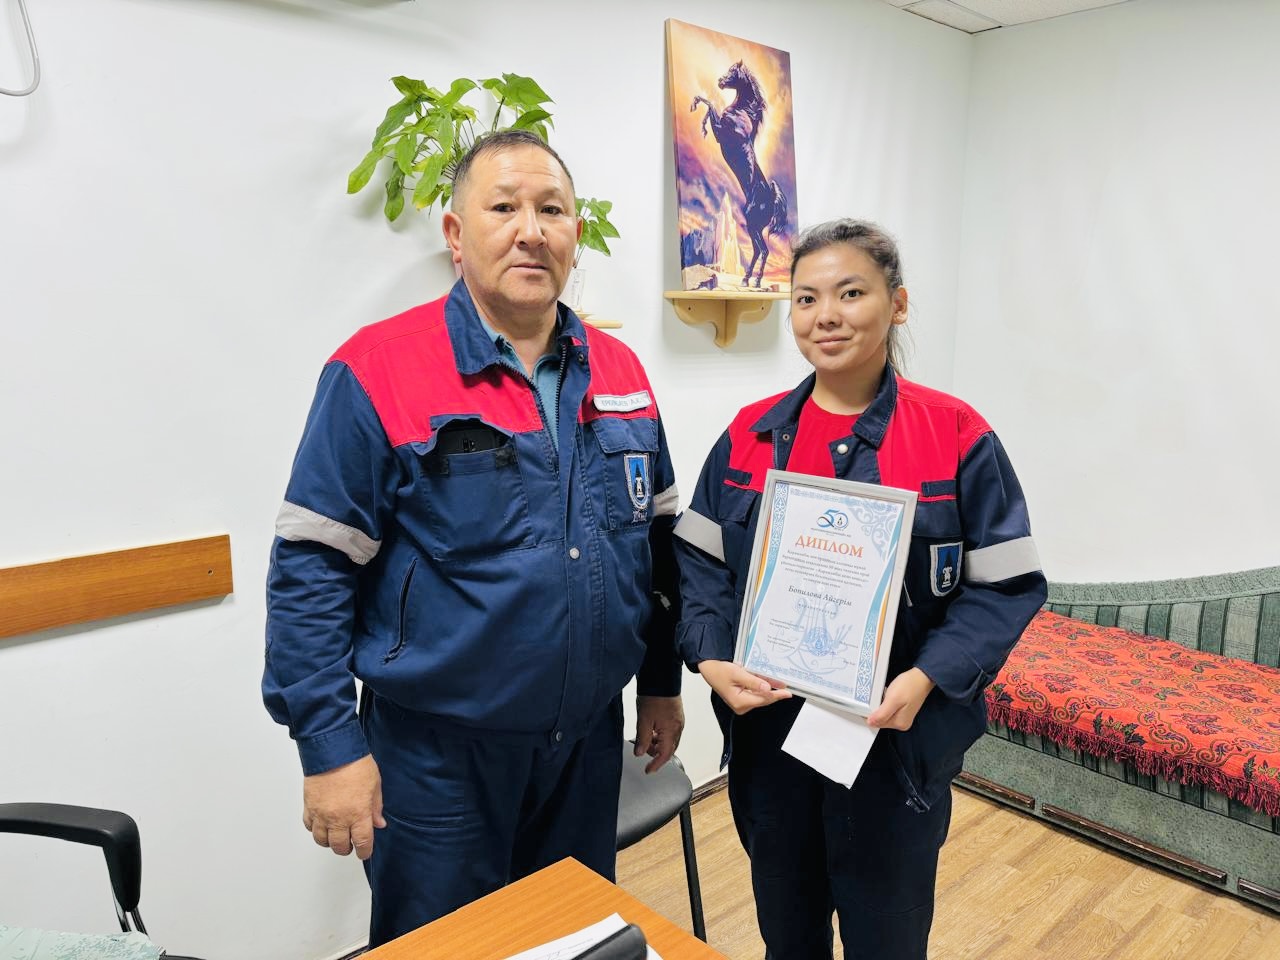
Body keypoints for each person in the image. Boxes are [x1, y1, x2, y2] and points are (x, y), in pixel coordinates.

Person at [263, 129, 685, 948]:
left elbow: (656, 546)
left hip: (584, 748)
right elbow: (312, 568)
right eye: (503, 208)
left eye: (551, 210)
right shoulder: (377, 371)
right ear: (456, 234)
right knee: (448, 949)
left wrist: (660, 683)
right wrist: (329, 745)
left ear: (575, 234)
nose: (531, 230)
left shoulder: (623, 373)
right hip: (437, 763)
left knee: (569, 942)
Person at [673, 219, 1047, 959]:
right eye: (806, 299)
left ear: (897, 304)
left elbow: (1006, 585)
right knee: (788, 933)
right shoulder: (749, 435)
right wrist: (710, 656)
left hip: (892, 743)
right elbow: (698, 565)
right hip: (770, 738)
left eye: (851, 293)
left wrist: (926, 676)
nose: (826, 316)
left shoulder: (956, 434)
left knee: (888, 938)